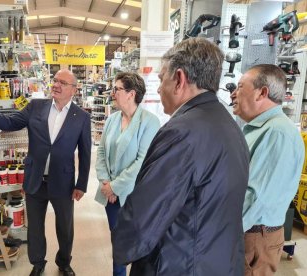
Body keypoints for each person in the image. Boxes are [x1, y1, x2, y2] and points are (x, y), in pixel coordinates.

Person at [111, 37, 250, 275]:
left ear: (179, 79)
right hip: (218, 261)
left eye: (161, 78)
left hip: (178, 264)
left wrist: (122, 248)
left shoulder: (180, 133)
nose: (158, 88)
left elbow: (145, 216)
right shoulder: (230, 127)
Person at [0, 69, 91, 276]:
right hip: (35, 180)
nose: (56, 85)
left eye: (63, 82)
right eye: (55, 80)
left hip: (63, 182)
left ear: (74, 90)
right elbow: (8, 123)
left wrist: (81, 184)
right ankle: (38, 262)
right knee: (34, 227)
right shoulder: (35, 106)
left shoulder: (82, 117)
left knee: (65, 227)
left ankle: (63, 262)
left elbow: (86, 153)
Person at [230, 64, 304, 276]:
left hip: (253, 234)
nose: (234, 94)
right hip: (249, 230)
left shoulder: (277, 133)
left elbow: (255, 197)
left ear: (262, 92)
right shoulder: (259, 129)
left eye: (240, 87)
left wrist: (221, 230)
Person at [95, 72, 160, 276]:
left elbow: (142, 162)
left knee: (138, 243)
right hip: (110, 196)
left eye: (117, 89)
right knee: (118, 243)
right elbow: (102, 152)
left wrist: (115, 186)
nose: (112, 93)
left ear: (131, 94)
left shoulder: (150, 122)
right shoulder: (112, 119)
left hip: (133, 196)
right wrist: (106, 183)